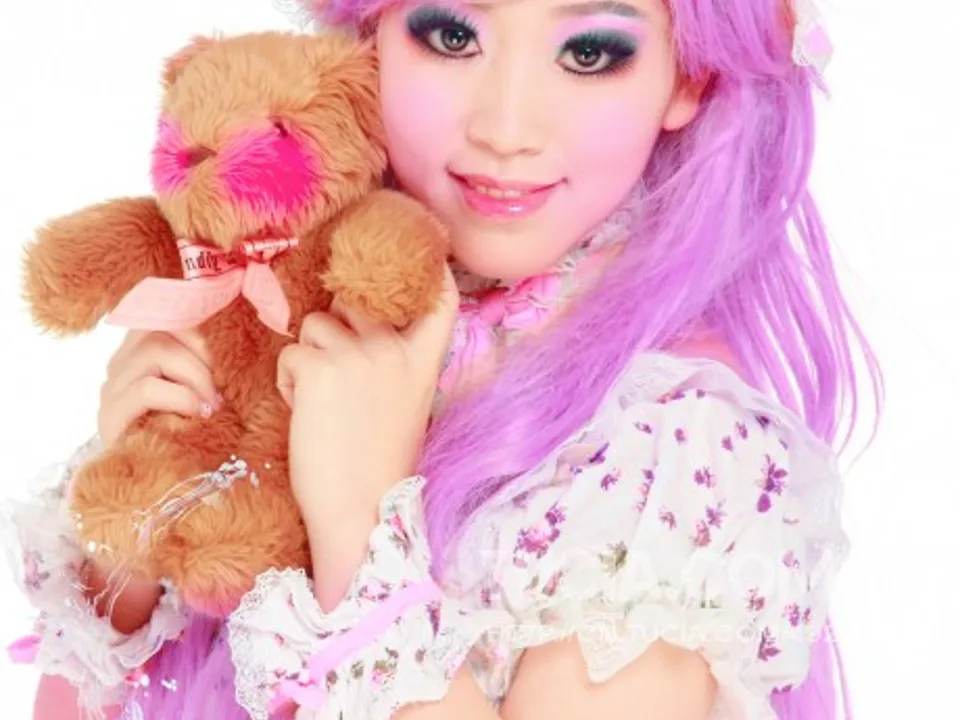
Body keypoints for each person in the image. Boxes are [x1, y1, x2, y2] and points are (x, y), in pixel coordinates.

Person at [5, 0, 882, 718]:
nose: (505, 128)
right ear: (369, 36)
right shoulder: (291, 307)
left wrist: (358, 524)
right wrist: (134, 533)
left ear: (688, 75)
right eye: (452, 34)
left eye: (589, 52)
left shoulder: (676, 453)